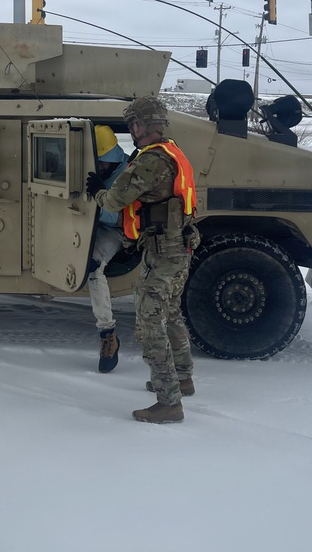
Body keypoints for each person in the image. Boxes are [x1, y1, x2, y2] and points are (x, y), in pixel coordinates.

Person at [86, 96, 200, 424]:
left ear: (139, 125)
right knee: (171, 313)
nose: (132, 131)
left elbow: (116, 199)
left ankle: (169, 401)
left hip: (165, 251)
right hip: (176, 246)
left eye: (133, 124)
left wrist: (97, 191)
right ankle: (182, 378)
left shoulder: (151, 161)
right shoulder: (172, 151)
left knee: (149, 322)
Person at [88, 125, 129, 373]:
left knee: (94, 268)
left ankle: (108, 334)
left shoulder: (126, 174)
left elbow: (116, 217)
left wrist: (94, 197)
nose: (100, 166)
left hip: (113, 230)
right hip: (92, 224)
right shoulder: (107, 169)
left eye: (102, 162)